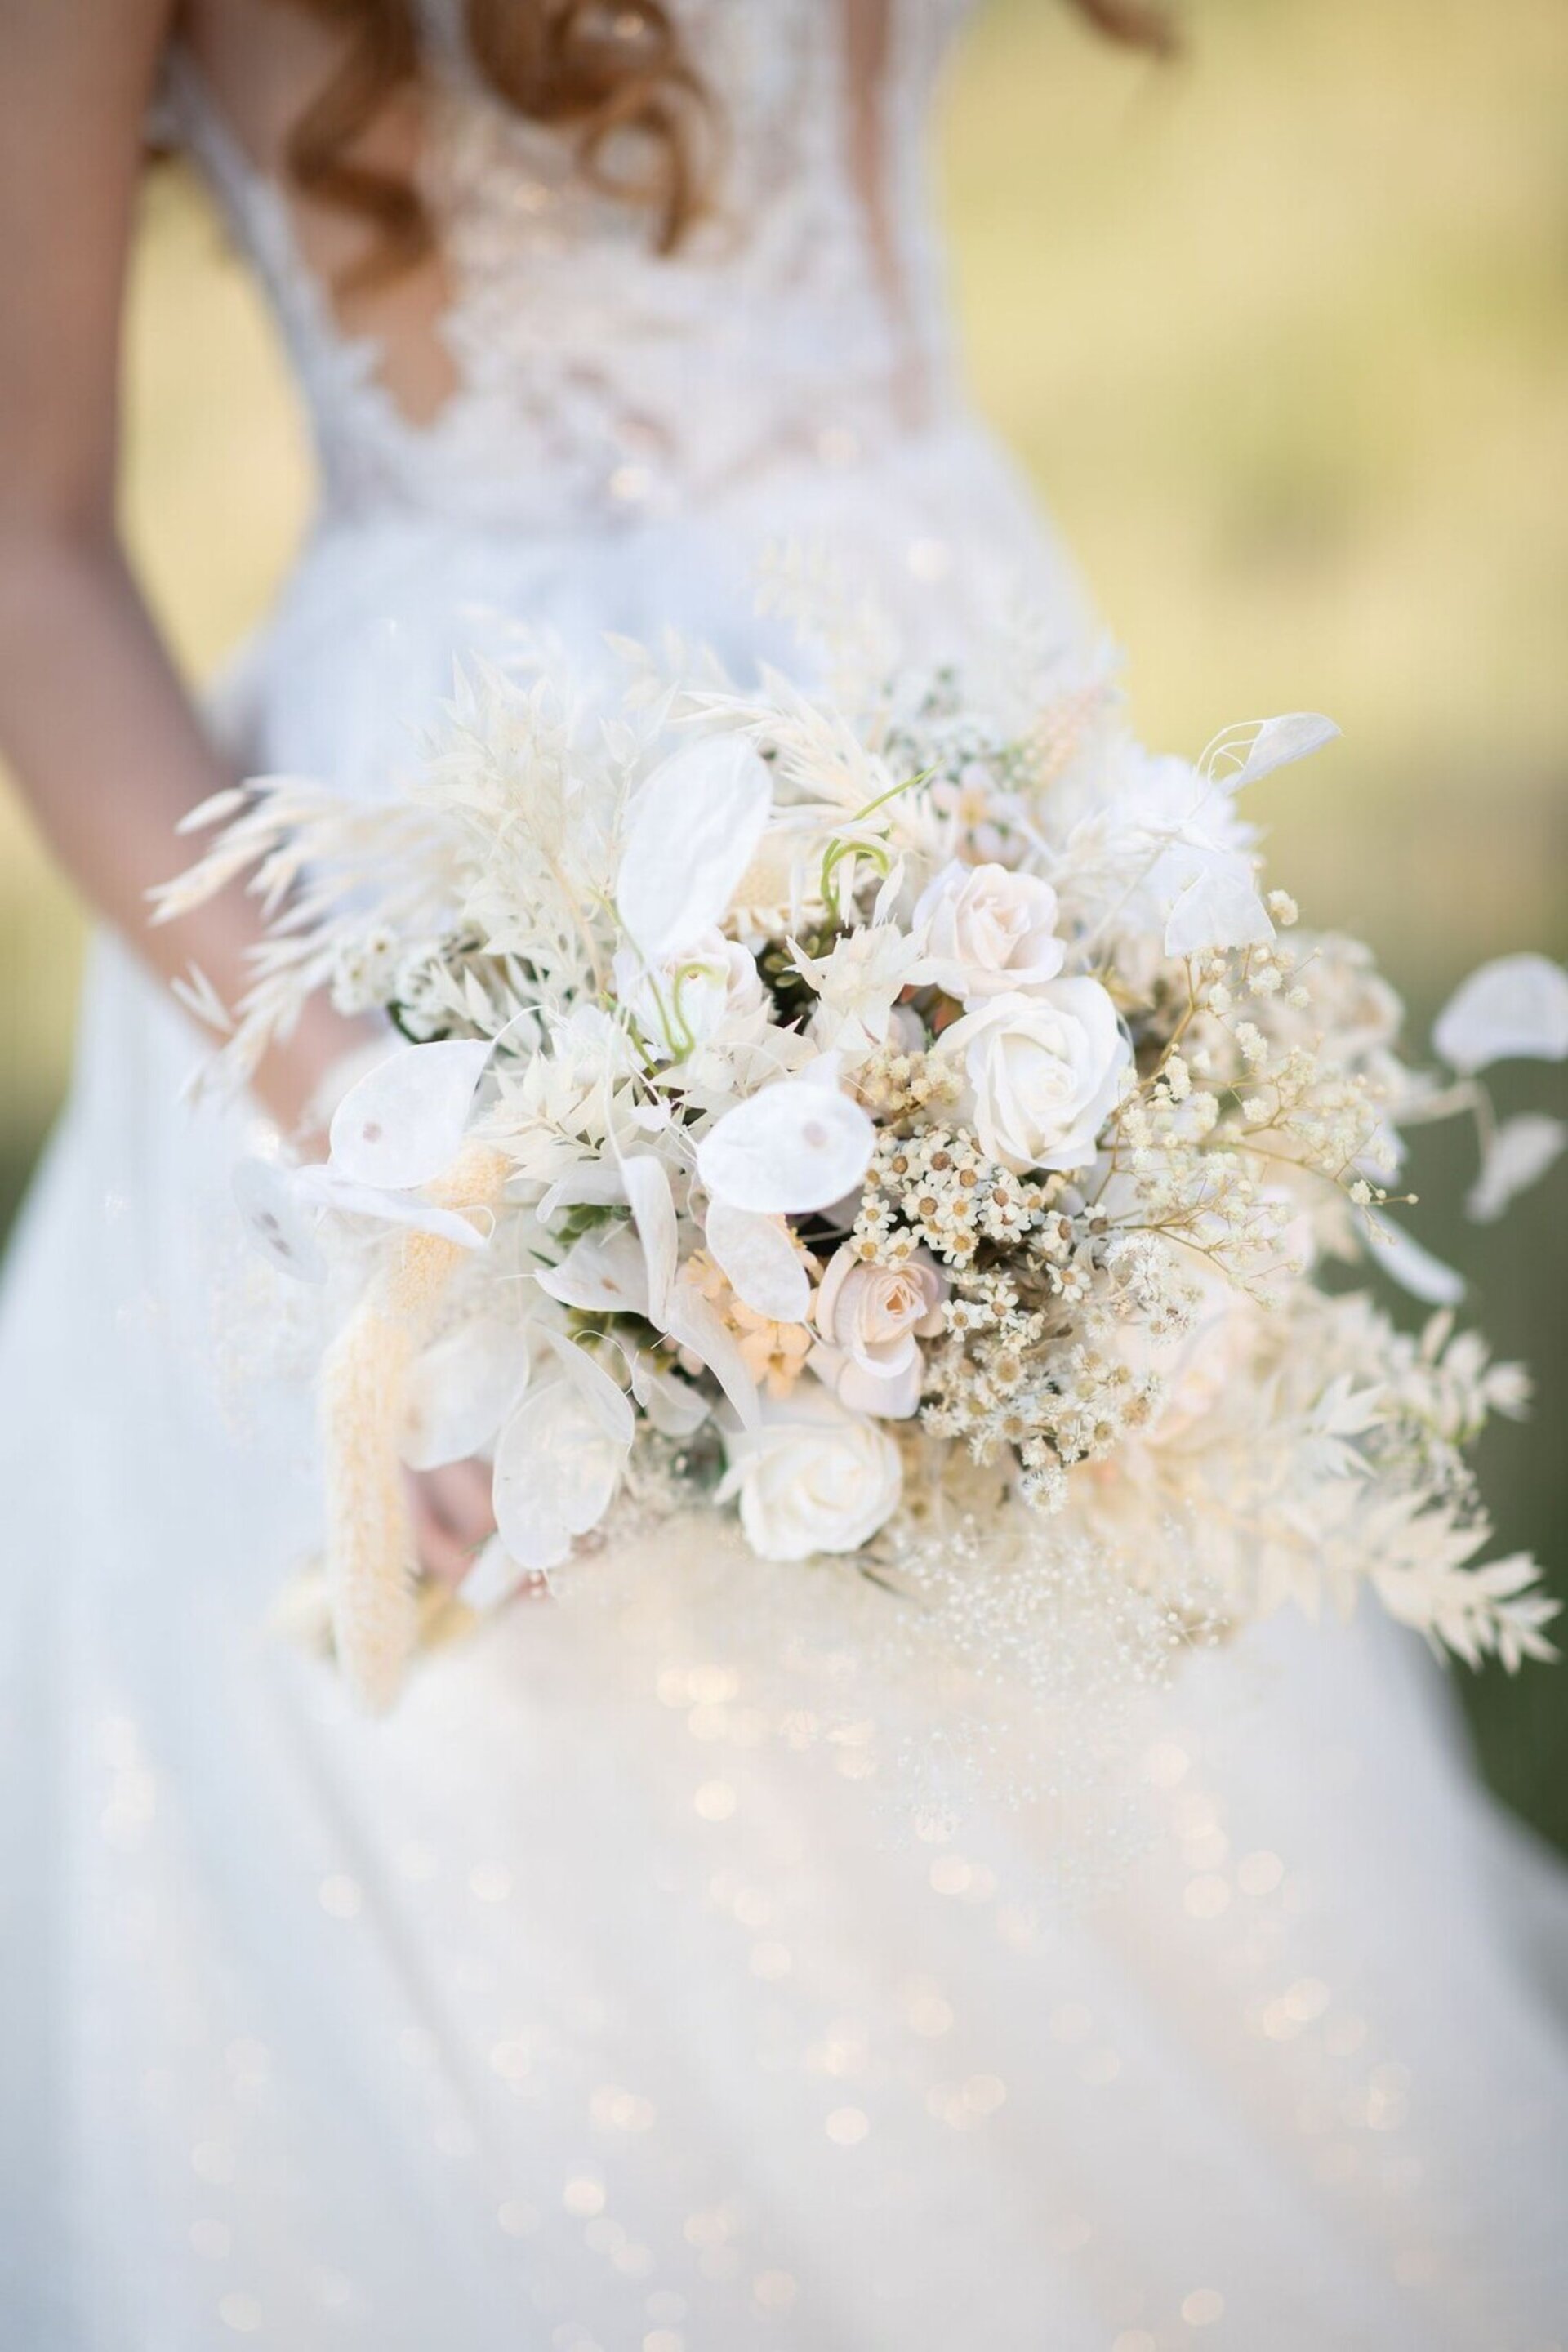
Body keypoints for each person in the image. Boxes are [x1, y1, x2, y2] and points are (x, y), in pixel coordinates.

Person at [1, 5, 1563, 2345]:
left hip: (971, 729)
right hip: (483, 874)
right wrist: (376, 1131)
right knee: (626, 1867)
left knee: (1147, 1727)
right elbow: (19, 535)